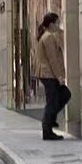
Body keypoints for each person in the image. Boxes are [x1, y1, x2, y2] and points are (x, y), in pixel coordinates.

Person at [34, 12, 70, 141]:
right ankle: (47, 129)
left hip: (48, 73)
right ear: (51, 24)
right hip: (48, 74)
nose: (58, 25)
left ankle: (51, 119)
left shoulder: (48, 35)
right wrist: (59, 77)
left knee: (64, 94)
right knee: (53, 101)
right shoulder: (48, 37)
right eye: (57, 23)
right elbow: (53, 59)